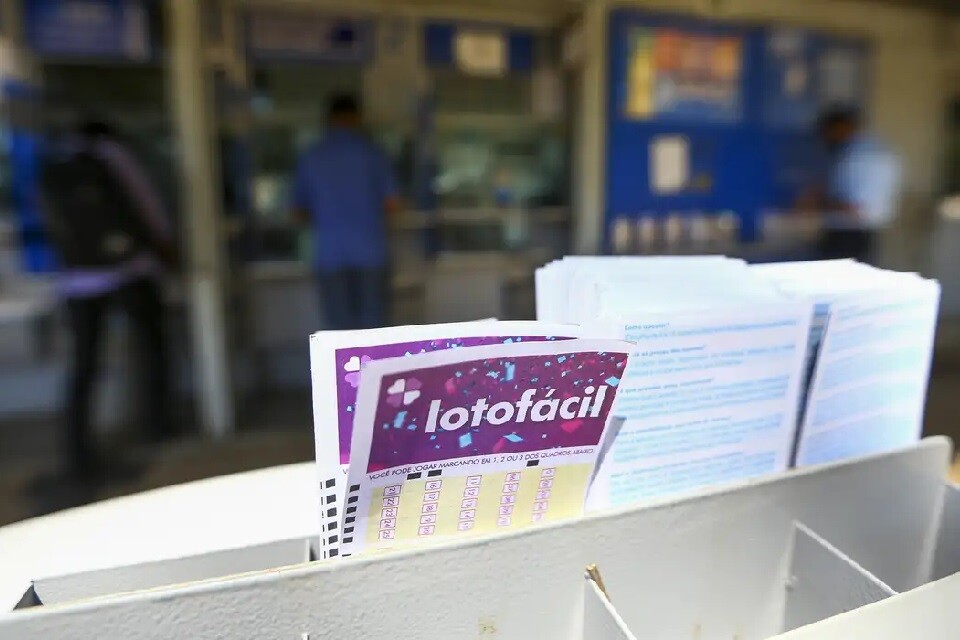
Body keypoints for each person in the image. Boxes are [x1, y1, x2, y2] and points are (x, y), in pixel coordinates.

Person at [41, 119, 176, 481]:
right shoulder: (112, 155)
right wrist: (163, 245)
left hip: (76, 279)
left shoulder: (56, 161)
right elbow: (144, 202)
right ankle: (157, 423)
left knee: (84, 364)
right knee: (152, 348)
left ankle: (77, 448)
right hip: (128, 269)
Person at [292, 95, 400, 330]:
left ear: (329, 119)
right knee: (374, 329)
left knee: (338, 331)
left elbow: (298, 213)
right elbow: (392, 204)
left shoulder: (312, 157)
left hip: (330, 255)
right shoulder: (374, 154)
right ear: (357, 118)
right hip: (371, 252)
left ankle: (344, 368)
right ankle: (373, 368)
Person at [802, 106, 902, 263]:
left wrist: (813, 203)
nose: (826, 137)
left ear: (841, 127)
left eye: (828, 131)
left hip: (847, 235)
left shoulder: (857, 156)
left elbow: (853, 207)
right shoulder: (879, 150)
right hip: (865, 233)